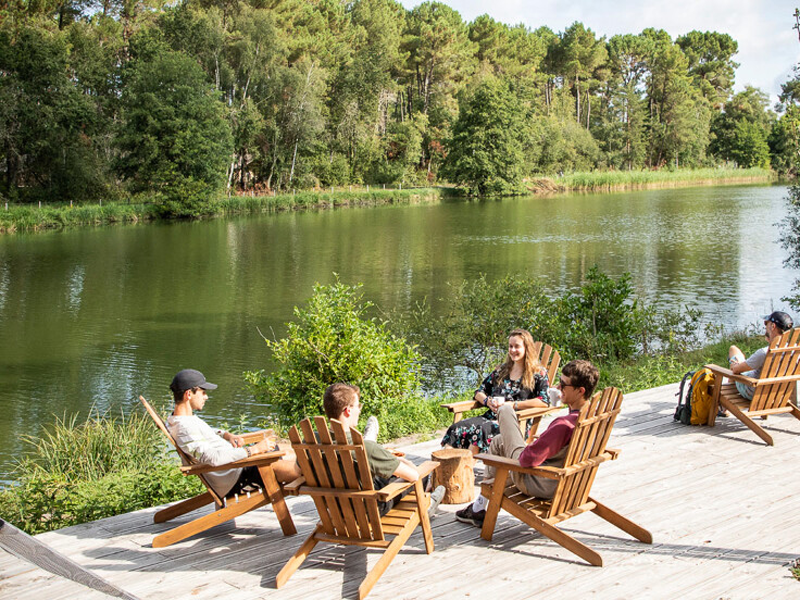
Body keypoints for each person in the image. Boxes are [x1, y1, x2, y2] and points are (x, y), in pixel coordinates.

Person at [455, 359, 599, 527]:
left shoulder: (563, 425)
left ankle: (480, 505)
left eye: (563, 384)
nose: (558, 388)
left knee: (505, 410)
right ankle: (480, 506)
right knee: (498, 440)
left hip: (541, 482)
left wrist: (533, 445)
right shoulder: (591, 417)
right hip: (566, 481)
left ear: (580, 391)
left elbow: (526, 460)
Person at [167, 368, 300, 498]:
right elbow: (212, 458)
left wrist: (226, 435)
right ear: (188, 394)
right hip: (236, 478)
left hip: (236, 468)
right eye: (203, 392)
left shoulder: (183, 420)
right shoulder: (184, 428)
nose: (206, 397)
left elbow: (206, 433)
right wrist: (253, 450)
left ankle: (317, 461)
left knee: (290, 450)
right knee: (304, 467)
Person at [323, 382, 445, 516]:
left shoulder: (312, 443)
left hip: (334, 510)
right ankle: (427, 505)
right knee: (421, 476)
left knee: (385, 473)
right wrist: (409, 465)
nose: (360, 410)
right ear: (348, 410)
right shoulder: (364, 448)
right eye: (358, 406)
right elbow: (413, 475)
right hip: (369, 510)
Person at [441, 328, 550, 455]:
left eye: (517, 346)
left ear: (527, 348)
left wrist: (512, 405)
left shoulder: (538, 374)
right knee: (457, 428)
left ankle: (467, 470)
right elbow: (479, 392)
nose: (513, 350)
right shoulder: (502, 370)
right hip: (490, 417)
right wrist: (487, 401)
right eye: (510, 346)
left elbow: (544, 402)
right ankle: (444, 470)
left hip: (516, 423)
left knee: (482, 431)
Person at [728, 311, 794, 401]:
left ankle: (724, 408)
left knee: (733, 350)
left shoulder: (764, 353)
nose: (765, 327)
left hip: (754, 393)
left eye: (766, 323)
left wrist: (734, 365)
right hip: (779, 394)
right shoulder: (795, 351)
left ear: (773, 326)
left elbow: (736, 370)